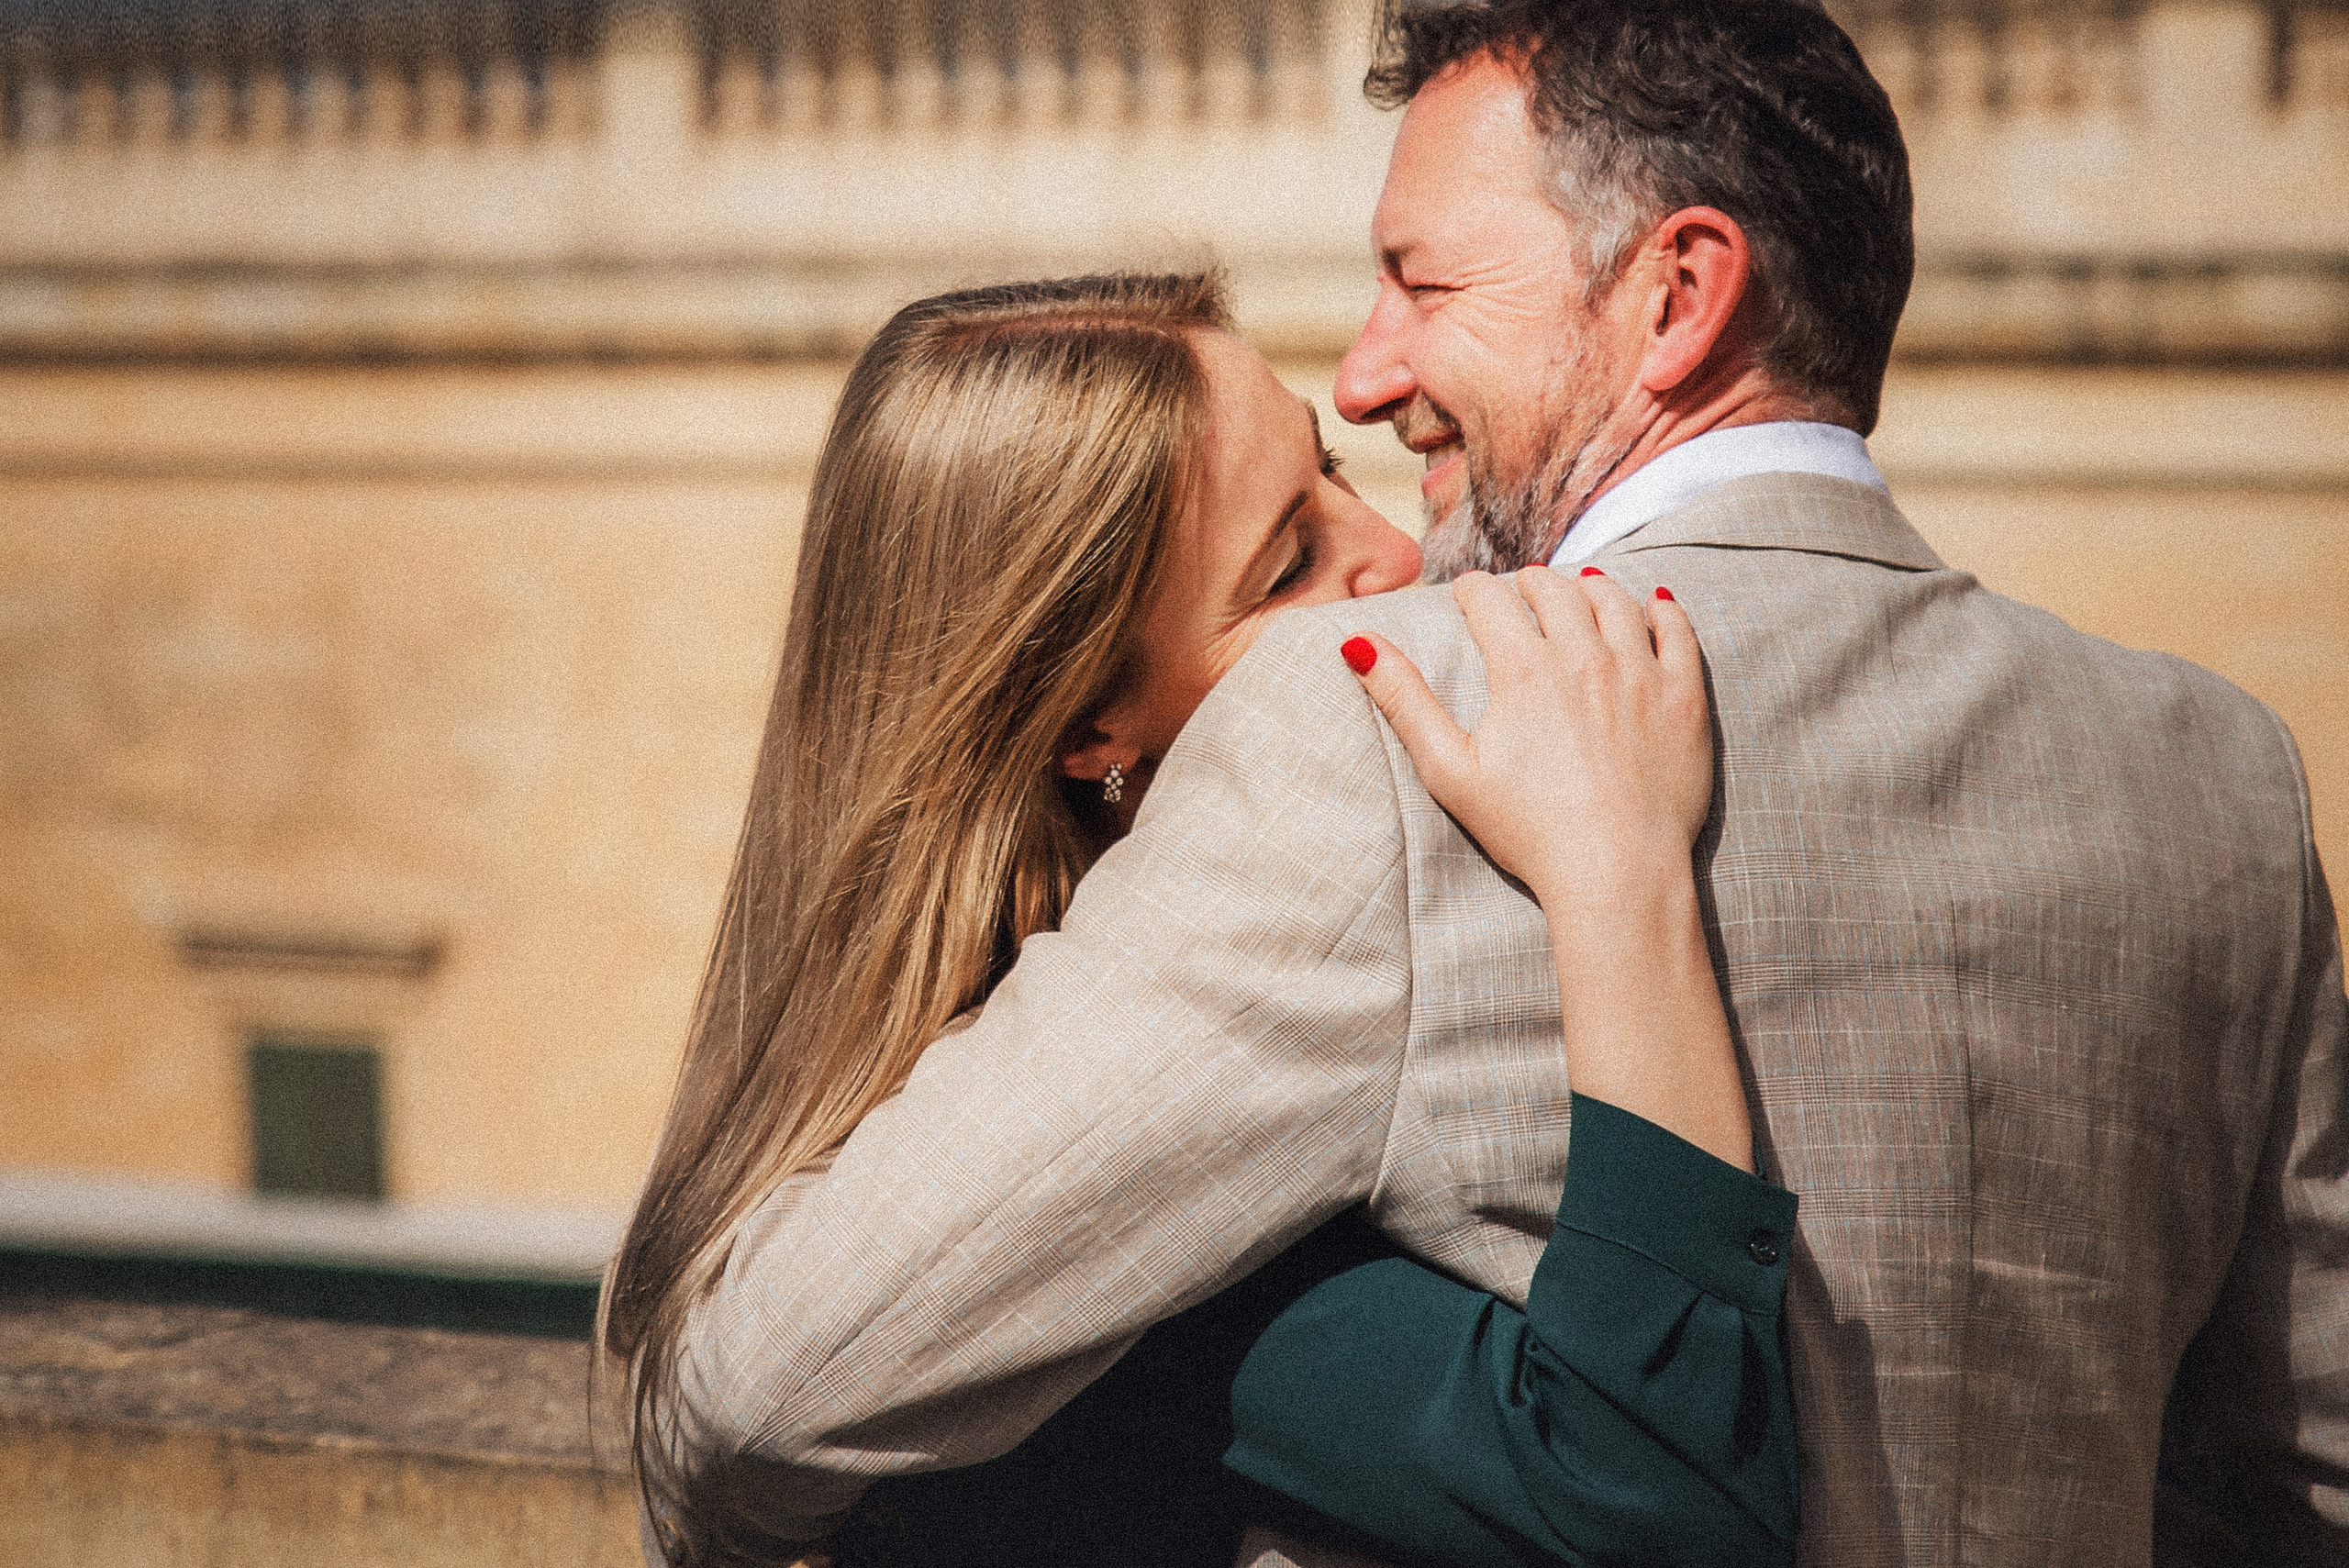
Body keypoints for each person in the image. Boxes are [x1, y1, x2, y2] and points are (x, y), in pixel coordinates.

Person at [628, 3, 2349, 1562]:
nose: (1368, 373)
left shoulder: (1380, 719)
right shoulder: (2220, 774)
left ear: (1677, 295)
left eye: (1425, 283)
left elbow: (764, 1385)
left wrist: (1191, 1322)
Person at [601, 270, 1801, 1567]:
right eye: (1288, 563)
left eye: (1332, 471)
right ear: (1087, 729)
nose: (1394, 555)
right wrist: (1623, 882)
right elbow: (1647, 1487)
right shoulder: (1165, 1068)